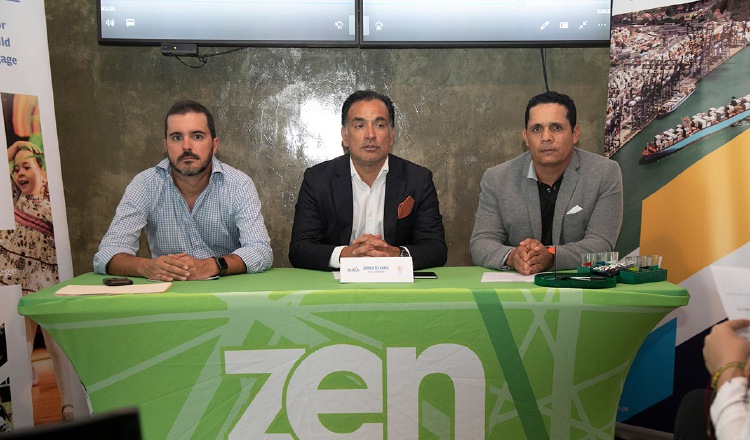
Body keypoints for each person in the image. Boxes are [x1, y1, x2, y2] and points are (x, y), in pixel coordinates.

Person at [94, 100, 272, 280]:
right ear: (166, 146)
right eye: (177, 137)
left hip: (226, 296)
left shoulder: (238, 184)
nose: (186, 146)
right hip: (167, 295)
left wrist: (212, 265)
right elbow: (107, 254)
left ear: (215, 145)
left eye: (197, 136)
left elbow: (260, 250)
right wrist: (145, 266)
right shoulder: (144, 184)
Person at [289, 90, 447, 271]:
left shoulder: (418, 179)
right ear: (345, 136)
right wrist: (345, 255)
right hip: (336, 287)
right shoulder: (318, 179)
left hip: (397, 285)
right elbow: (299, 249)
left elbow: (436, 248)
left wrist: (395, 254)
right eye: (359, 126)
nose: (370, 135)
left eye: (379, 125)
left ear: (392, 135)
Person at [470, 91, 623, 275]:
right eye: (537, 129)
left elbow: (601, 244)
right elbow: (481, 242)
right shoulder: (497, 178)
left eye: (556, 127)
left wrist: (551, 256)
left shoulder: (604, 173)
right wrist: (512, 257)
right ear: (525, 137)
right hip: (517, 291)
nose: (546, 137)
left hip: (580, 291)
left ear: (575, 133)